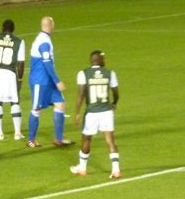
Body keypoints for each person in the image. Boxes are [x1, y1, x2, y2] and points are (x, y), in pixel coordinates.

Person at [71, 51, 121, 179]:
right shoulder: (110, 73)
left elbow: (81, 95)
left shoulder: (83, 74)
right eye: (103, 58)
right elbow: (116, 92)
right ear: (98, 60)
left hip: (92, 112)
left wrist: (77, 112)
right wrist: (114, 103)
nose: (105, 61)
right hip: (106, 111)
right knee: (110, 140)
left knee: (86, 139)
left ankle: (82, 168)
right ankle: (116, 170)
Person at [27, 16, 72, 148]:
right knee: (37, 109)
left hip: (48, 80)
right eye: (53, 24)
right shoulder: (44, 41)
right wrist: (57, 81)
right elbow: (46, 63)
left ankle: (59, 138)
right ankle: (31, 139)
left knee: (60, 104)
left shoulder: (44, 39)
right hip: (40, 81)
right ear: (50, 25)